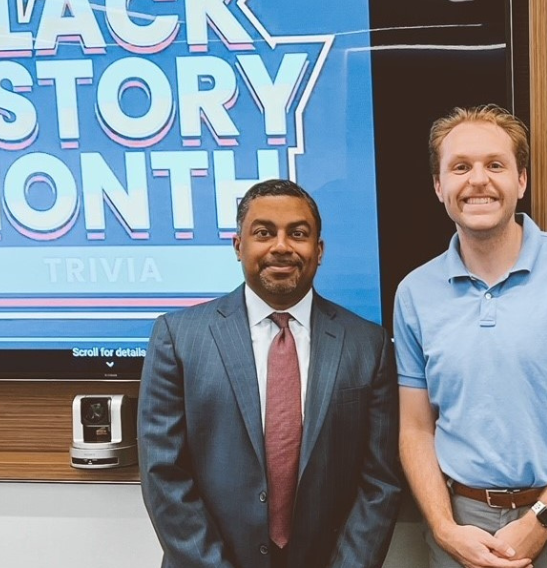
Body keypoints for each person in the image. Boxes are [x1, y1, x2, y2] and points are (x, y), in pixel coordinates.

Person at [394, 104, 547, 568]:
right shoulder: (414, 293)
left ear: (521, 181)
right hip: (461, 527)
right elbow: (415, 427)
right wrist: (445, 528)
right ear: (438, 186)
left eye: (495, 165)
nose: (478, 180)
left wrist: (541, 520)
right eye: (460, 167)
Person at [138, 179, 402, 568]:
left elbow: (380, 481)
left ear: (320, 250)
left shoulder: (369, 345)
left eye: (298, 233)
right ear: (238, 245)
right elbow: (163, 473)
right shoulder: (178, 338)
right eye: (264, 233)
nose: (281, 246)